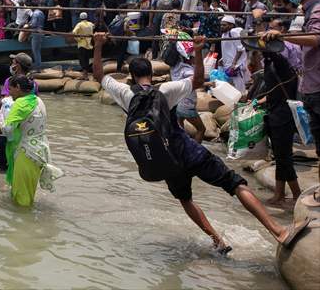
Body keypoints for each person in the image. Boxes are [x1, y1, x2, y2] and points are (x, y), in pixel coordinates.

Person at [91, 32, 310, 253]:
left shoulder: (126, 94)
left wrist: (98, 45)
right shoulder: (165, 90)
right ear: (150, 72)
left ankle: (217, 241)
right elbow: (197, 81)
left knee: (186, 199)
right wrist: (197, 50)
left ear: (131, 76)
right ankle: (279, 231)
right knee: (235, 184)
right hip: (189, 151)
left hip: (167, 161)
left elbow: (99, 75)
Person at [264, 0, 320, 189]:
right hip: (311, 85)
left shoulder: (316, 10)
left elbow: (316, 39)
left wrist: (283, 36)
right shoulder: (307, 11)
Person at [254, 18, 302, 206]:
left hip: (283, 115)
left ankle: (296, 193)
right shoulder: (271, 64)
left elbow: (270, 51)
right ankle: (280, 194)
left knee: (284, 157)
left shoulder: (283, 65)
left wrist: (260, 23)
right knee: (280, 156)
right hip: (275, 111)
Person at [0, 75, 55, 207]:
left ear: (18, 88)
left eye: (11, 89)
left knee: (21, 198)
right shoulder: (38, 101)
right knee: (29, 192)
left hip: (26, 153)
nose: (9, 94)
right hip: (41, 151)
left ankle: (22, 224)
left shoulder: (20, 104)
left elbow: (8, 129)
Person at [220, 15, 248, 93]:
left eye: (224, 25)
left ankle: (241, 102)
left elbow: (240, 49)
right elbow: (227, 49)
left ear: (231, 25)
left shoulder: (233, 32)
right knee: (231, 87)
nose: (222, 26)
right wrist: (222, 59)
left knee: (239, 87)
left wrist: (234, 63)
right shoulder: (223, 34)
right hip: (228, 64)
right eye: (221, 25)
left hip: (236, 65)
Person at [72, 12, 94, 78]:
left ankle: (85, 75)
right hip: (89, 45)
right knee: (86, 59)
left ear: (80, 18)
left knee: (82, 60)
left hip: (82, 44)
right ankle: (86, 74)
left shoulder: (79, 24)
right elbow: (94, 27)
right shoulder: (90, 24)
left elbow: (74, 32)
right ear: (87, 17)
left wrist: (78, 39)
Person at [29, 5, 46, 72]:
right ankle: (38, 67)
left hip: (36, 33)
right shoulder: (41, 12)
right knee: (37, 51)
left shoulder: (35, 13)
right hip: (40, 32)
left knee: (36, 51)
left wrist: (27, 25)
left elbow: (34, 24)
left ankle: (38, 68)